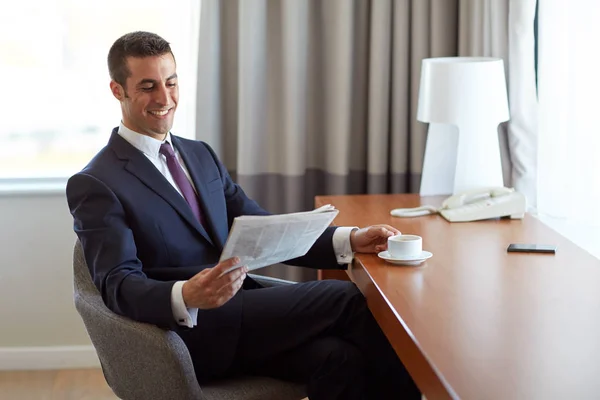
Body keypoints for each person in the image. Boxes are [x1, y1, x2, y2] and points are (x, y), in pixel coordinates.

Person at [66, 31, 420, 400]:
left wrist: (348, 239)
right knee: (346, 299)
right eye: (148, 86)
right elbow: (118, 285)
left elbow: (265, 230)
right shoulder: (97, 182)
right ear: (117, 90)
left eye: (171, 82)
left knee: (338, 358)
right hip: (189, 337)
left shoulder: (198, 154)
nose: (165, 98)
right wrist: (186, 293)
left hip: (245, 317)